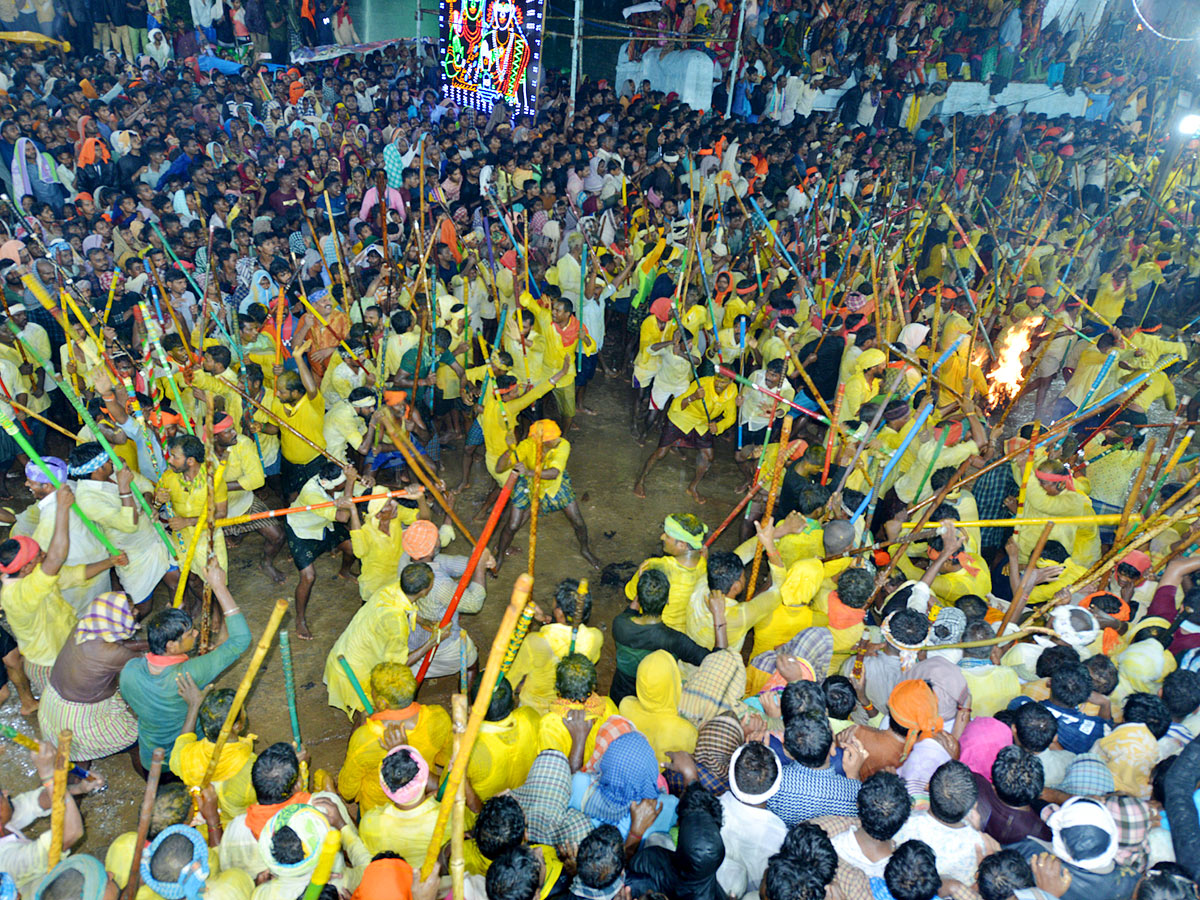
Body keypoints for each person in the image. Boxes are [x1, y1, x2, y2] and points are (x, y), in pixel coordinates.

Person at [119, 563, 251, 772]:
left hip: (150, 758)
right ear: (170, 646)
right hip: (186, 760)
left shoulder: (130, 670)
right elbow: (240, 640)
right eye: (190, 634)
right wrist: (219, 587)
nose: (196, 634)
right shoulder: (187, 676)